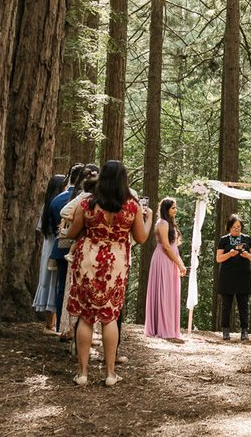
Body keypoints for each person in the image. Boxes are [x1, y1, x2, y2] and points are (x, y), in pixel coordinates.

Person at [65, 160, 150, 387]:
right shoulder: (132, 207)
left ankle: (82, 373)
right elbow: (141, 238)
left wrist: (83, 229)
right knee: (109, 315)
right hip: (116, 262)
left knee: (86, 315)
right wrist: (148, 219)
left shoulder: (88, 204)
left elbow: (72, 233)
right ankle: (111, 373)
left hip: (88, 260)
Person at [48, 163, 87, 333]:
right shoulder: (85, 201)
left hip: (61, 245)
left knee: (61, 287)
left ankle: (61, 327)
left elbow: (52, 225)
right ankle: (75, 327)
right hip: (79, 247)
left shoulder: (57, 199)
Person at [145, 198, 187, 341]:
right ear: (166, 209)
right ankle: (162, 328)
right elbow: (166, 246)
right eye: (173, 208)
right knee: (164, 291)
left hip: (171, 258)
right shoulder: (162, 223)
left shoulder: (170, 223)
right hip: (163, 260)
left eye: (175, 207)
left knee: (171, 292)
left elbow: (174, 246)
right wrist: (179, 264)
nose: (176, 210)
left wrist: (180, 263)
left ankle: (170, 327)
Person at [32, 173, 67, 334]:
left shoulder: (47, 206)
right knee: (53, 280)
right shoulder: (57, 205)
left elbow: (41, 229)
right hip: (55, 245)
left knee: (49, 279)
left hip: (48, 246)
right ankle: (50, 324)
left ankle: (50, 322)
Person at [216, 215, 251, 341]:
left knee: (243, 305)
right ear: (229, 227)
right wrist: (230, 254)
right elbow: (219, 258)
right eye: (234, 227)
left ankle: (244, 330)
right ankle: (225, 330)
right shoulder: (223, 240)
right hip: (227, 276)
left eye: (238, 227)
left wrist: (247, 255)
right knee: (226, 305)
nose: (236, 229)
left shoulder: (247, 239)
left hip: (243, 275)